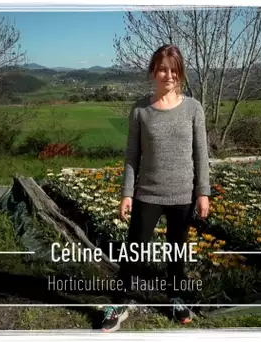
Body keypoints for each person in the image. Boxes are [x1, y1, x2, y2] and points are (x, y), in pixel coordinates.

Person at [100, 44, 210, 332]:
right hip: (147, 194)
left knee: (176, 251)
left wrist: (203, 192)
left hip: (183, 196)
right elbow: (131, 156)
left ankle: (176, 297)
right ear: (153, 71)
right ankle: (121, 302)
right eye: (163, 69)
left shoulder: (193, 108)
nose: (168, 75)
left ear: (181, 74)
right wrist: (126, 193)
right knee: (133, 251)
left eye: (174, 70)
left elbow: (201, 154)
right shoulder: (140, 109)